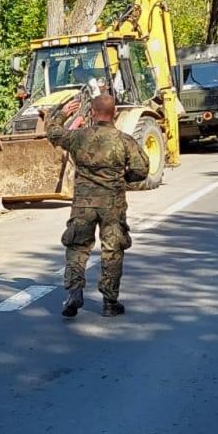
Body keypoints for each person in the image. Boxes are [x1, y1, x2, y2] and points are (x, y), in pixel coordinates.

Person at [46, 92, 149, 318]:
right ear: (115, 113)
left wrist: (62, 114)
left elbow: (53, 133)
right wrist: (122, 179)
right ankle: (110, 303)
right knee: (112, 250)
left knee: (77, 247)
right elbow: (141, 170)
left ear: (92, 112)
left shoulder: (78, 137)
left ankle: (74, 292)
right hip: (113, 205)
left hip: (83, 204)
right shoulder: (124, 140)